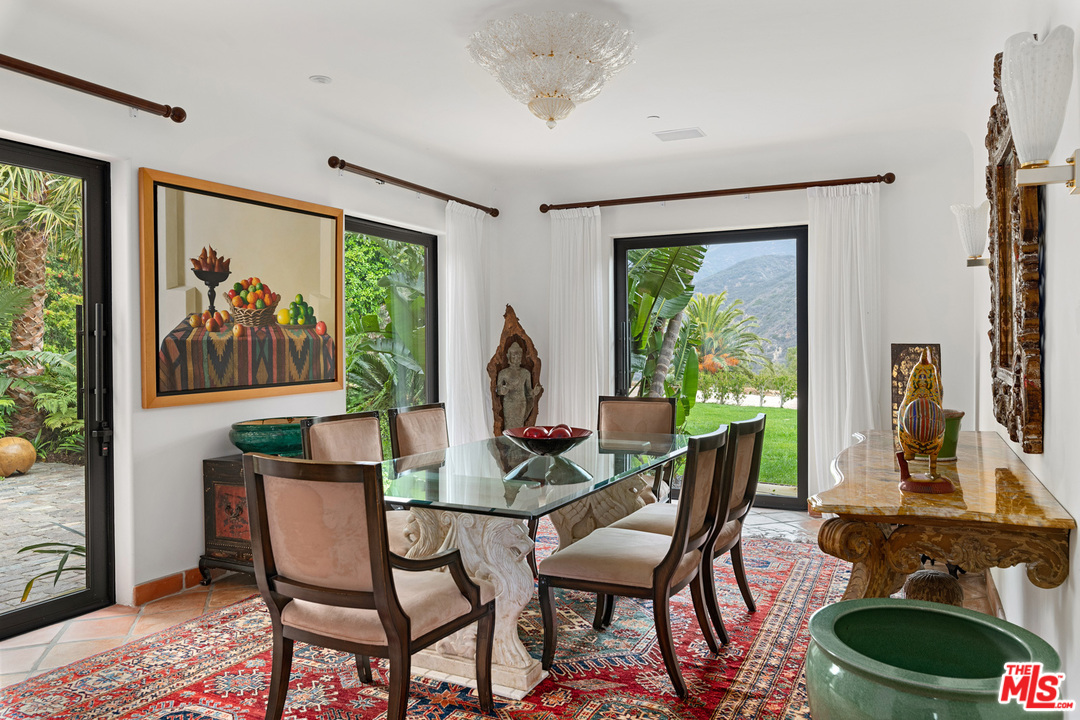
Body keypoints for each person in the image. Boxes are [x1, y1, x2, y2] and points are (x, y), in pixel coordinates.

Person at [496, 341, 534, 430]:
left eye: (519, 356)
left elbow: (529, 392)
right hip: (509, 402)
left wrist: (533, 392)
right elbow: (498, 390)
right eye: (514, 355)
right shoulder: (503, 373)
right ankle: (508, 443)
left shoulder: (525, 373)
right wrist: (503, 390)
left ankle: (518, 443)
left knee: (520, 425)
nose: (516, 358)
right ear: (508, 356)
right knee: (508, 425)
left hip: (521, 403)